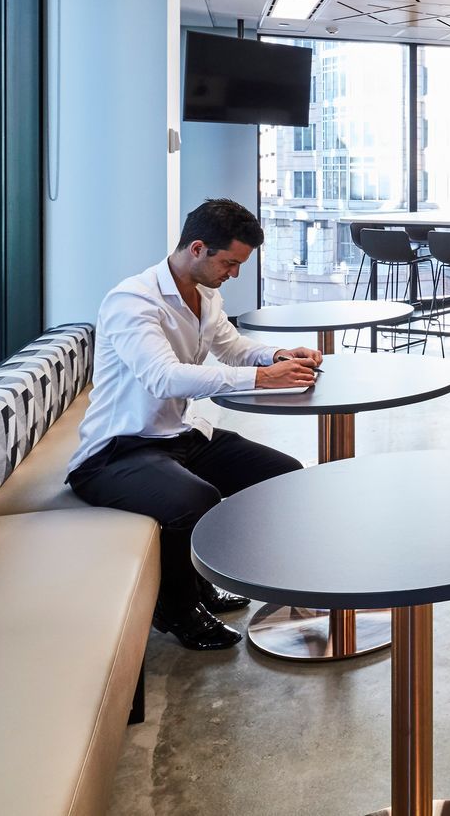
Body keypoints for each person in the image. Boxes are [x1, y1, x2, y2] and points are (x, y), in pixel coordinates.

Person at [68, 198, 322, 650]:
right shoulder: (133, 301)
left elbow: (232, 347)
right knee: (195, 499)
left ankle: (206, 580)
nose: (234, 273)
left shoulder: (205, 294)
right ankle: (178, 609)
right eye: (230, 263)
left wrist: (277, 356)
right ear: (198, 248)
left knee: (281, 473)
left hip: (179, 436)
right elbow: (164, 378)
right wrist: (263, 379)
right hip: (116, 452)